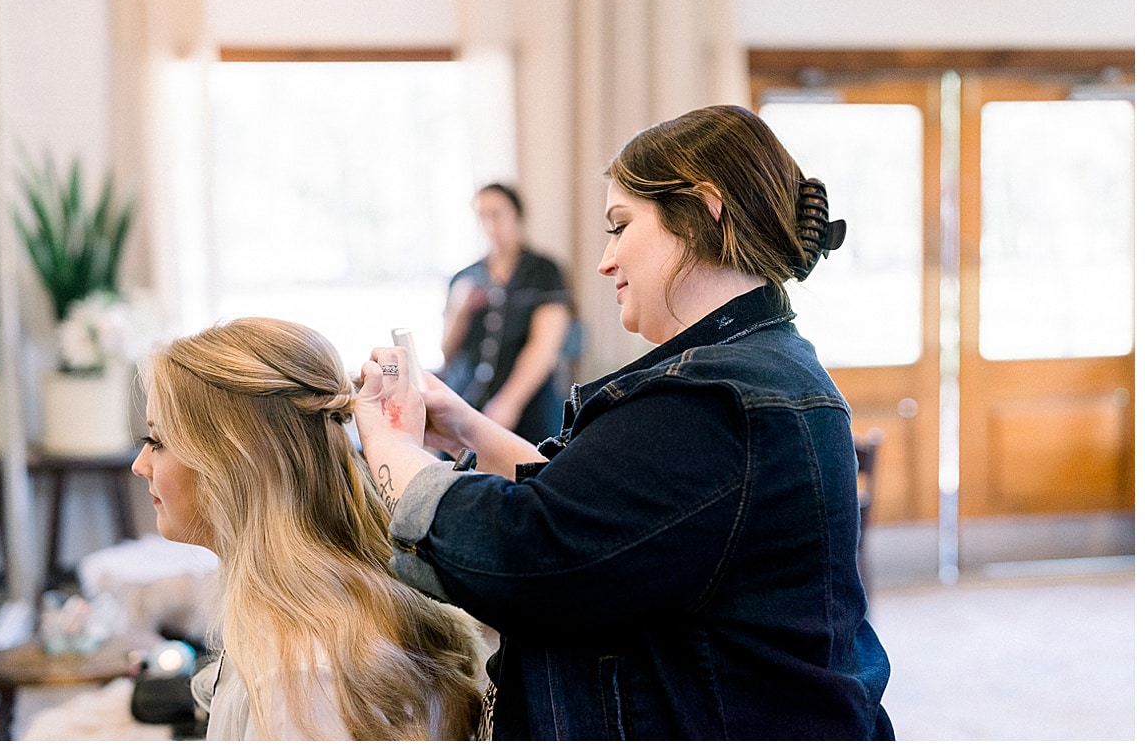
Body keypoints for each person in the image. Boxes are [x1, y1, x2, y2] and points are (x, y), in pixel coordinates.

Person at [353, 104, 894, 740]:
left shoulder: (717, 402)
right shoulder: (752, 371)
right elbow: (604, 514)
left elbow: (529, 553)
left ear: (704, 210)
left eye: (620, 225)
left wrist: (386, 446)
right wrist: (467, 427)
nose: (606, 261)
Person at [130, 317, 484, 740]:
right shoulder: (297, 626)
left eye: (158, 442)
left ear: (231, 465)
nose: (141, 465)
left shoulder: (294, 678)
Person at [440, 182, 573, 445]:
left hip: (530, 404)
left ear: (516, 215)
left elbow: (544, 347)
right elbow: (447, 353)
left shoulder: (544, 271)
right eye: (482, 216)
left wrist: (509, 403)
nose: (489, 224)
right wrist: (459, 309)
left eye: (496, 214)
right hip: (469, 401)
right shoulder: (464, 278)